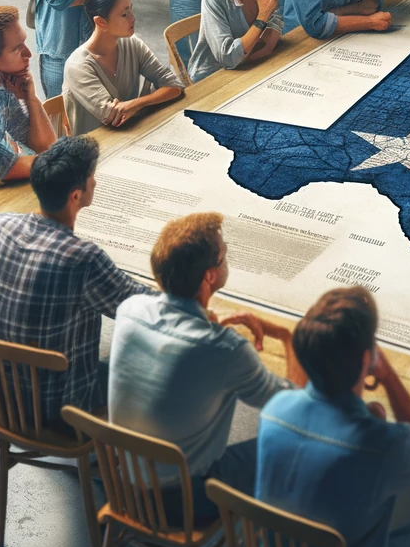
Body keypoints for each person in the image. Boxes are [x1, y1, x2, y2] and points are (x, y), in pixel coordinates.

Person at [109, 212, 305, 523]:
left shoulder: (130, 310)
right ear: (210, 276)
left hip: (123, 486)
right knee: (295, 441)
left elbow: (181, 325)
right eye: (225, 254)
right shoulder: (227, 350)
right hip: (183, 504)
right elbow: (296, 407)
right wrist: (286, 336)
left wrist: (208, 315)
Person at [257, 287, 410, 547]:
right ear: (367, 358)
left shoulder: (274, 410)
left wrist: (368, 415)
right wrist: (388, 378)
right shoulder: (386, 447)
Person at [0, 137, 148, 426]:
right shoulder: (83, 259)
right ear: (76, 196)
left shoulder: (2, 226)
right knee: (149, 374)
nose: (96, 183)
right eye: (92, 178)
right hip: (59, 411)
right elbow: (143, 306)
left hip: (4, 402)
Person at [63, 0, 183, 136]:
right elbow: (111, 116)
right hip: (96, 148)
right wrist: (145, 102)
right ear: (101, 22)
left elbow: (174, 85)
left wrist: (135, 104)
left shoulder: (132, 43)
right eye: (124, 14)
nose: (133, 18)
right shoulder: (77, 65)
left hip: (134, 134)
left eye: (131, 9)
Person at [0, 6, 56, 183]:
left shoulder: (5, 89)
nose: (28, 54)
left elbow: (45, 148)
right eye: (17, 49)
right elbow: (6, 164)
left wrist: (31, 99)